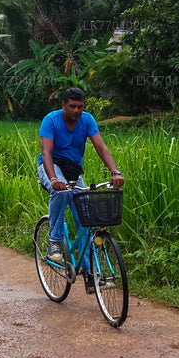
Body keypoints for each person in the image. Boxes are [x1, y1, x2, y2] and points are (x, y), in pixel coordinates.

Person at [38, 88, 124, 273]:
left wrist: (115, 171)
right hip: (52, 167)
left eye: (80, 107)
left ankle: (91, 273)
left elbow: (101, 147)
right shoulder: (51, 120)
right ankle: (54, 242)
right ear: (63, 105)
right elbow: (46, 153)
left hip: (73, 172)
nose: (76, 111)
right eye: (72, 106)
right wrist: (53, 179)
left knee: (86, 220)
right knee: (61, 192)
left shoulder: (87, 120)